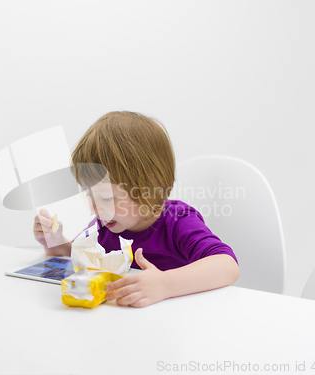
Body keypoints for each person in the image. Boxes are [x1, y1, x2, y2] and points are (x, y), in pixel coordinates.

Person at [33, 111, 239, 307]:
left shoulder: (178, 221)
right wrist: (55, 243)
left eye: (106, 197)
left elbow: (227, 265)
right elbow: (78, 257)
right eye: (90, 195)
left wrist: (165, 284)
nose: (95, 208)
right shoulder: (105, 227)